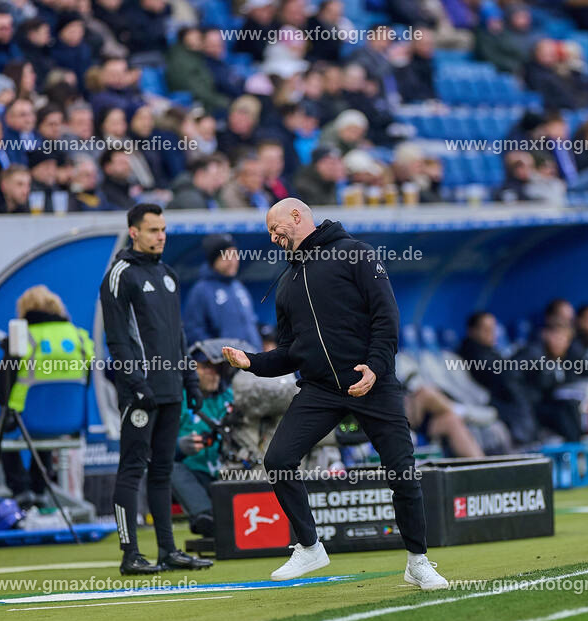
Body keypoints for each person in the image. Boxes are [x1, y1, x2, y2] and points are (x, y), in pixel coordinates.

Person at [221, 198, 448, 589]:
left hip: (374, 384)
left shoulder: (355, 253)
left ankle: (417, 560)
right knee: (277, 460)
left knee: (402, 472)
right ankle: (309, 547)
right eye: (269, 234)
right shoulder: (287, 283)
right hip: (321, 390)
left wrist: (376, 367)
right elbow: (290, 353)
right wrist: (251, 362)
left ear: (298, 216)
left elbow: (386, 317)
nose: (274, 239)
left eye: (277, 229)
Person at [99, 203, 213, 575]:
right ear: (134, 232)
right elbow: (117, 341)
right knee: (132, 468)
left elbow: (178, 334)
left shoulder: (168, 274)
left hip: (171, 389)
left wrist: (190, 379)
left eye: (163, 229)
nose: (160, 236)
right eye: (153, 230)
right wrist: (135, 383)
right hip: (140, 392)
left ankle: (168, 550)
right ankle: (129, 553)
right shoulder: (120, 274)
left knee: (163, 470)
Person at [0, 285, 94, 508]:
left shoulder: (24, 338)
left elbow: (0, 384)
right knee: (46, 426)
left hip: (27, 420)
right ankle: (39, 487)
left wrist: (8, 351)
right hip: (70, 422)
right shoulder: (79, 337)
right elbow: (87, 381)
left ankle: (20, 489)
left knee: (5, 427)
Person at [172, 341, 236, 537]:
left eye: (218, 368)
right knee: (167, 465)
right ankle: (205, 515)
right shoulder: (177, 399)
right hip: (196, 476)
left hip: (229, 473)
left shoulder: (230, 396)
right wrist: (180, 447)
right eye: (206, 367)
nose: (213, 373)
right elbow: (157, 448)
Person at [458, 311, 537, 445]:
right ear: (472, 331)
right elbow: (496, 375)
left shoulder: (490, 351)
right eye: (486, 330)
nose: (492, 334)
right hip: (487, 401)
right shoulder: (471, 352)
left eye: (493, 329)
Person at [184, 233, 262, 350]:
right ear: (213, 260)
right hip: (227, 364)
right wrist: (214, 358)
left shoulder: (238, 286)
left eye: (235, 255)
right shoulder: (200, 290)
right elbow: (194, 332)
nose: (233, 261)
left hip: (253, 360)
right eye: (226, 256)